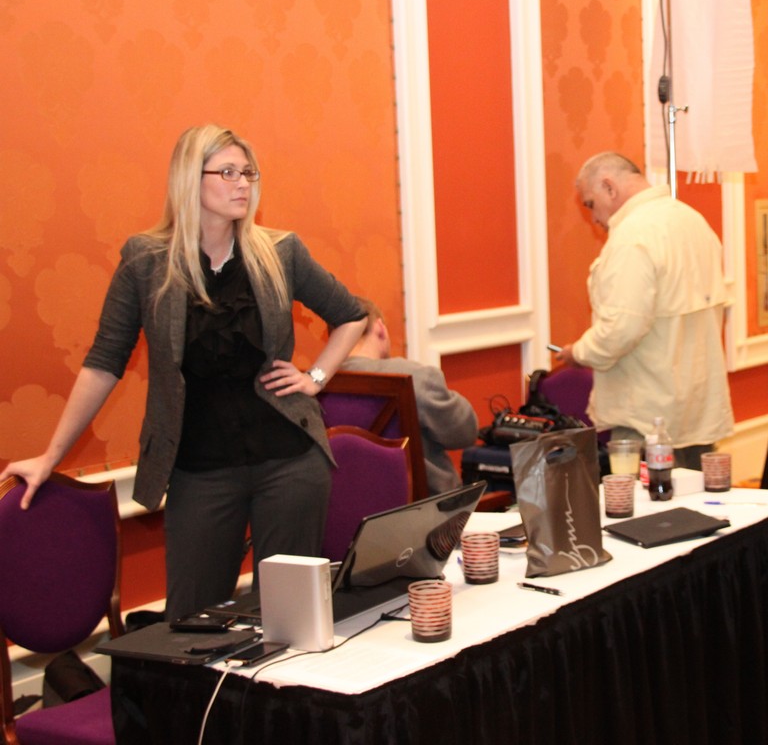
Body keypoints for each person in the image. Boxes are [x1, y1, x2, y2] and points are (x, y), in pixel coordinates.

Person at [0, 125, 367, 622]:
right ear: (190, 179)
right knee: (192, 622)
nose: (243, 184)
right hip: (199, 467)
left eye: (248, 173)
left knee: (290, 620)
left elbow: (351, 314)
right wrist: (51, 456)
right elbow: (104, 361)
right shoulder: (146, 262)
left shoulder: (280, 253)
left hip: (290, 461)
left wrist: (316, 378)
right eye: (228, 172)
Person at [555, 152, 734, 470]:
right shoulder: (693, 221)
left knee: (647, 503)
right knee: (698, 499)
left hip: (647, 417)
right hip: (697, 410)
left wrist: (578, 353)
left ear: (609, 187)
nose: (594, 218)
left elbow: (621, 330)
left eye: (591, 204)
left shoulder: (632, 237)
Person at [338, 296, 479, 495]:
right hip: (428, 506)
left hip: (349, 505)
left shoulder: (317, 384)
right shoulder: (414, 377)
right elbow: (464, 433)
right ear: (380, 328)